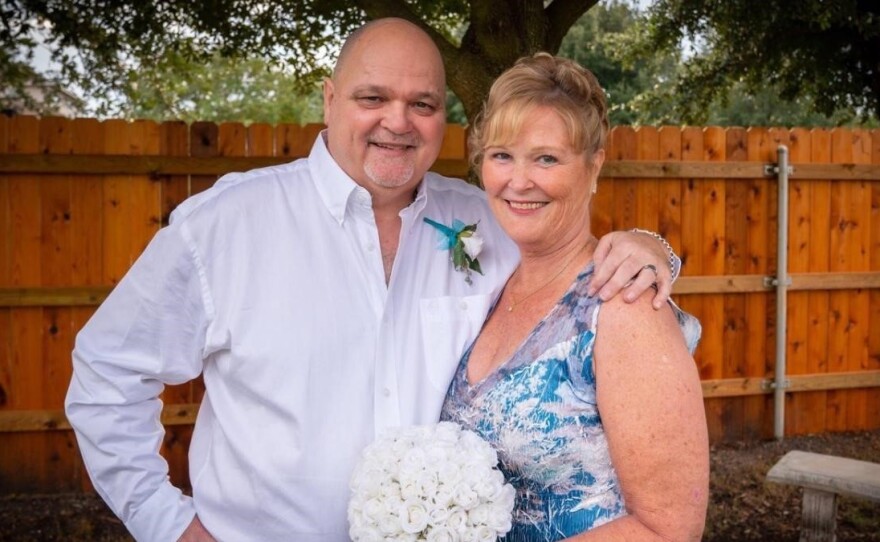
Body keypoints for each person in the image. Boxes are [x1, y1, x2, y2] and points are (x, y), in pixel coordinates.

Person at [65, 19, 680, 542]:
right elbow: (107, 372)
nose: (398, 121)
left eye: (423, 104)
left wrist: (654, 248)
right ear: (330, 100)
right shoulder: (225, 226)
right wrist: (169, 525)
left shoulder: (485, 220)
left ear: (444, 117)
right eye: (372, 98)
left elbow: (572, 277)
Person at [440, 53, 709, 540]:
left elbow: (669, 529)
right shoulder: (491, 284)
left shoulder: (623, 306)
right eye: (502, 155)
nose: (518, 181)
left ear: (593, 166)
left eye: (546, 158)